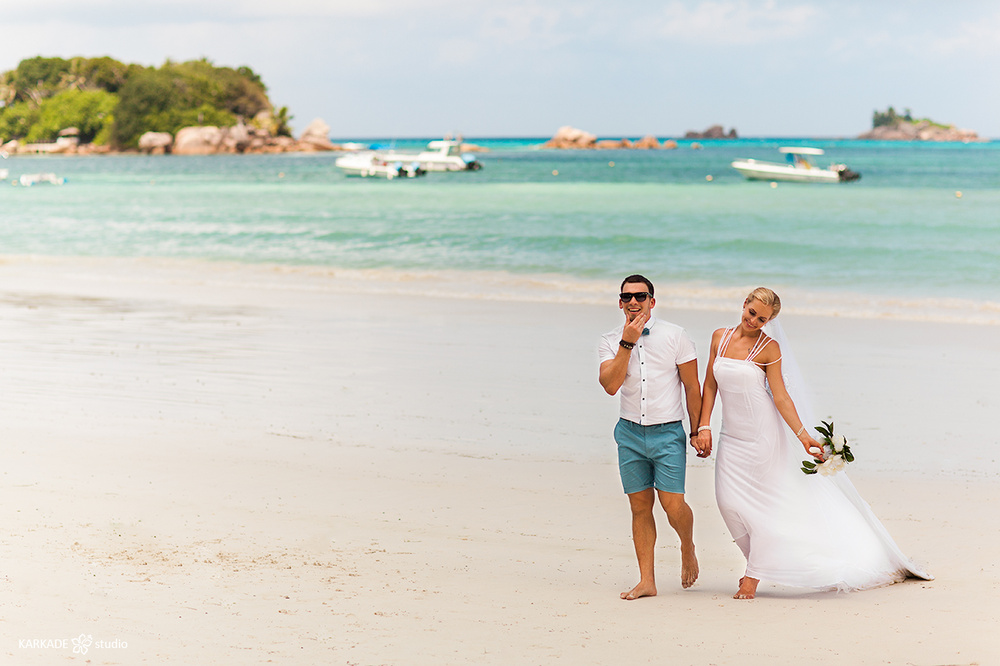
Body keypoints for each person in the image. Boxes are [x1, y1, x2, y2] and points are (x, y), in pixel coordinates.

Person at [696, 287, 932, 599]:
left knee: (764, 506)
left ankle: (753, 575)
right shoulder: (719, 337)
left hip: (763, 435)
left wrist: (804, 436)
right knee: (728, 502)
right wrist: (703, 425)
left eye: (762, 319)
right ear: (744, 305)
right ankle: (759, 563)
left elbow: (780, 397)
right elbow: (710, 383)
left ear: (769, 322)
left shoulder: (769, 348)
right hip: (731, 435)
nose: (754, 320)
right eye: (752, 312)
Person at [598, 275, 708, 600]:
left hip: (668, 433)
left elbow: (693, 387)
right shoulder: (609, 340)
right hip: (629, 433)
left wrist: (698, 429)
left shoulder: (676, 336)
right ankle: (647, 580)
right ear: (620, 302)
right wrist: (627, 342)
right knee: (639, 507)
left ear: (652, 301)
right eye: (627, 297)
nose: (634, 302)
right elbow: (610, 385)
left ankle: (687, 545)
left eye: (641, 296)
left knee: (673, 505)